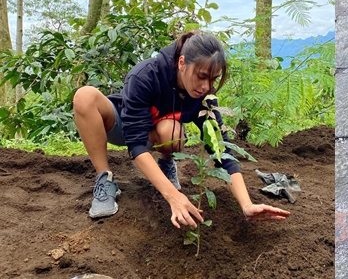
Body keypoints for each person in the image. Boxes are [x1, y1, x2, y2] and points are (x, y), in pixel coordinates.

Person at [73, 31, 290, 228]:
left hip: (159, 135)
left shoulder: (205, 97)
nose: (205, 86)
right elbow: (136, 144)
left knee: (173, 131)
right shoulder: (145, 75)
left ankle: (167, 165)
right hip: (124, 126)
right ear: (182, 63)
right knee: (85, 96)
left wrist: (246, 205)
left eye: (212, 79)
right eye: (201, 76)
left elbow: (222, 150)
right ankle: (105, 178)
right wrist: (173, 197)